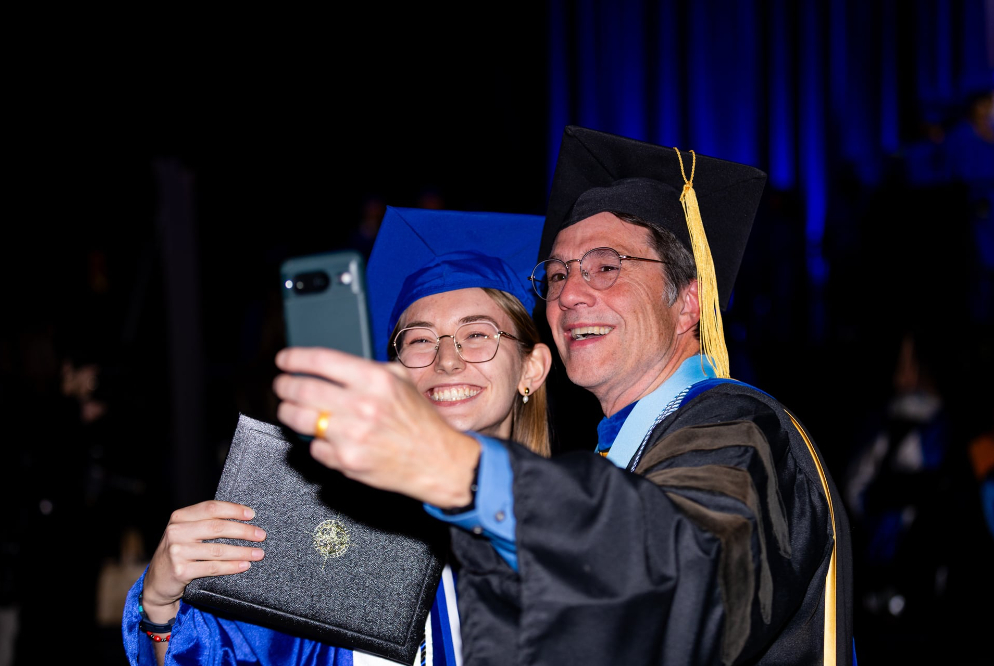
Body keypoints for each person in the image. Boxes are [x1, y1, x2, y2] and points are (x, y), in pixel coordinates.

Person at [273, 126, 855, 665]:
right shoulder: (623, 455)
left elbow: (692, 580)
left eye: (606, 266)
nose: (570, 293)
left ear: (687, 303)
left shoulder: (741, 429)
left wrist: (460, 469)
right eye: (555, 274)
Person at [122, 207, 552, 665]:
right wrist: (160, 608)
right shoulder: (329, 528)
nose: (447, 359)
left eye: (478, 333)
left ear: (532, 367)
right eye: (420, 339)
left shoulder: (580, 526)